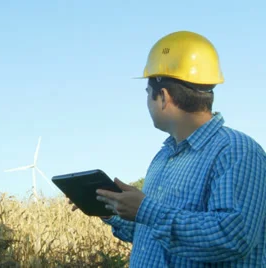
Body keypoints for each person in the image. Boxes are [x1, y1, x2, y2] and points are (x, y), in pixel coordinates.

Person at [70, 31, 266, 267]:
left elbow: (233, 237)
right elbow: (154, 235)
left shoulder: (236, 151)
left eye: (147, 94)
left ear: (163, 96)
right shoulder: (163, 157)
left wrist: (147, 210)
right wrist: (113, 210)